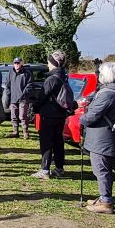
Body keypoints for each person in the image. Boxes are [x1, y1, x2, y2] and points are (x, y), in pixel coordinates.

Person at [79, 61, 115, 213]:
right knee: (103, 169)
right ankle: (103, 197)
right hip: (108, 137)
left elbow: (92, 116)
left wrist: (81, 118)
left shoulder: (108, 94)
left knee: (101, 170)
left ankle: (106, 201)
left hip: (103, 139)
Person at [31, 51, 73, 180]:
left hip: (48, 114)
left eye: (49, 61)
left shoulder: (51, 79)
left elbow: (43, 96)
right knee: (58, 142)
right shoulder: (63, 76)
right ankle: (59, 168)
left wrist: (34, 107)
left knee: (46, 142)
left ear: (53, 63)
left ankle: (45, 170)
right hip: (61, 114)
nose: (47, 64)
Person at [4, 57, 34, 139]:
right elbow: (7, 86)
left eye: (18, 63)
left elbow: (30, 85)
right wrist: (8, 98)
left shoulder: (27, 73)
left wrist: (23, 94)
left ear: (22, 63)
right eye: (15, 63)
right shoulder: (10, 73)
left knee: (23, 116)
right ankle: (15, 131)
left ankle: (25, 132)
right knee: (13, 116)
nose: (16, 64)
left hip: (23, 99)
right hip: (13, 99)